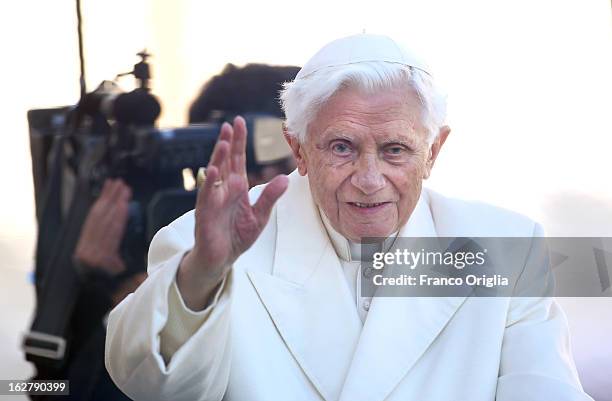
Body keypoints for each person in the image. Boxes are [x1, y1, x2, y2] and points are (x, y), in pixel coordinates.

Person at [105, 34, 593, 401]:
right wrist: (205, 273)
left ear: (434, 150)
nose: (369, 178)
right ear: (298, 149)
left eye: (395, 150)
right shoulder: (205, 242)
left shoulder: (504, 245)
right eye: (342, 147)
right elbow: (149, 385)